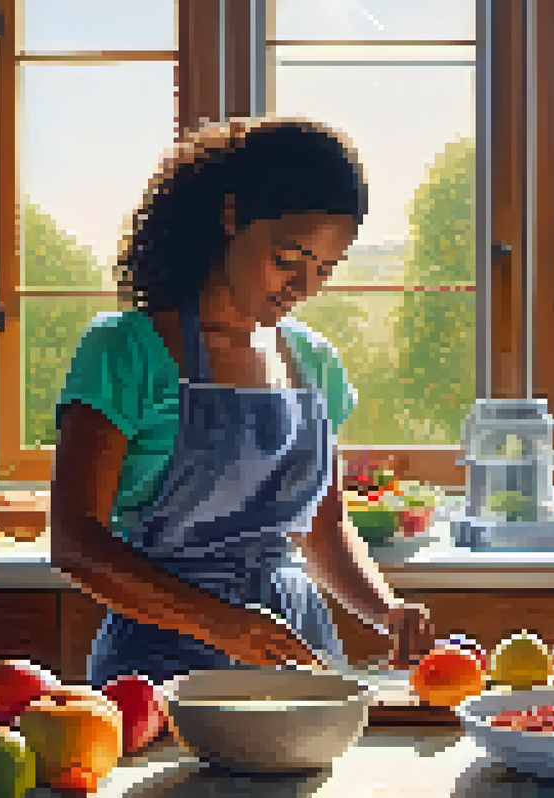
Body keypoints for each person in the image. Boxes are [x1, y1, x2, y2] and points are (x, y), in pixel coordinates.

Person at [50, 116, 435, 687]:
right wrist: (217, 623)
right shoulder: (126, 349)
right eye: (287, 259)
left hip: (299, 652)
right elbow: (75, 541)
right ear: (230, 216)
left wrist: (386, 611)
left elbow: (323, 531)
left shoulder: (314, 364)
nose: (301, 288)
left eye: (323, 270)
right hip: (158, 665)